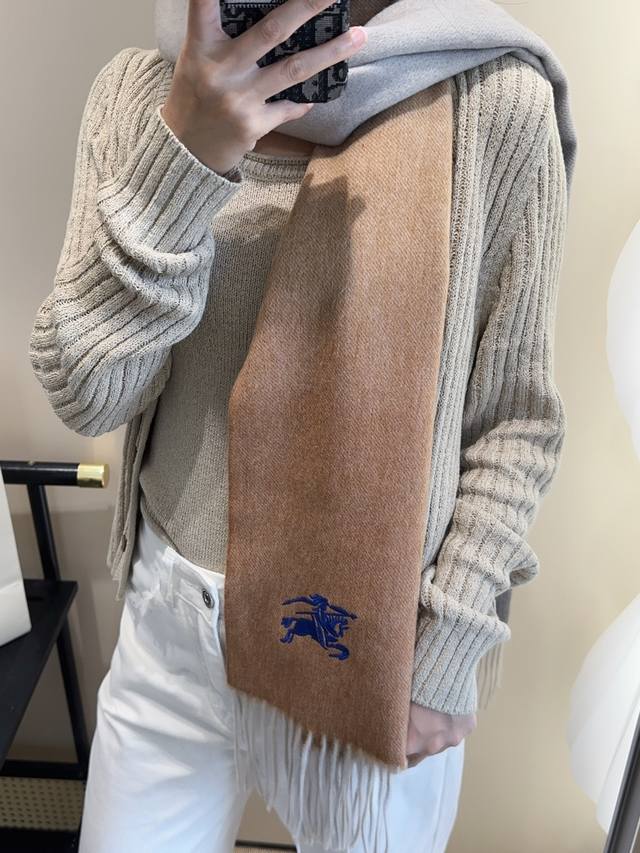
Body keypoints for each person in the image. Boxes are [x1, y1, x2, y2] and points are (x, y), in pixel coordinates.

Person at [28, 0, 571, 849]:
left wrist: (450, 648)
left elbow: (514, 419)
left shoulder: (492, 99)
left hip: (370, 642)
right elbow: (90, 394)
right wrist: (187, 154)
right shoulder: (141, 95)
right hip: (170, 628)